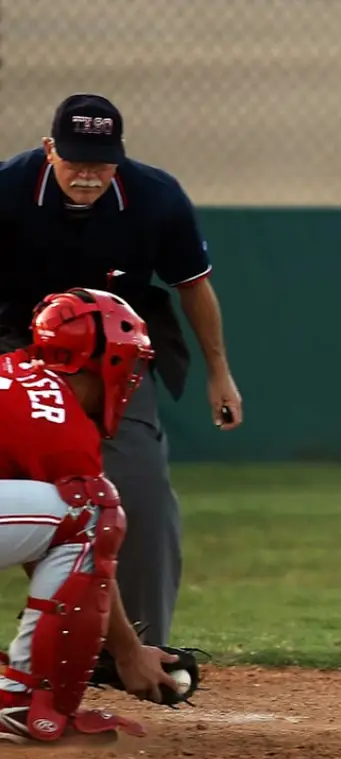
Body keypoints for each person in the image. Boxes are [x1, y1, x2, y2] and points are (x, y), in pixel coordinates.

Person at [0, 92, 244, 646]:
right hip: (16, 337)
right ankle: (54, 625)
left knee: (140, 486)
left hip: (116, 348)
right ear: (48, 149)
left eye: (101, 162)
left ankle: (138, 643)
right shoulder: (7, 189)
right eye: (75, 160)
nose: (87, 175)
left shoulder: (156, 197)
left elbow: (193, 288)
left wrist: (219, 372)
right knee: (24, 479)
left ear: (121, 155)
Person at [0, 288, 187, 744]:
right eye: (129, 363)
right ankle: (27, 705)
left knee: (73, 519)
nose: (132, 378)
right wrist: (126, 651)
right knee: (92, 509)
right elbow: (87, 536)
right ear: (104, 362)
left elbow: (47, 544)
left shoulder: (15, 371)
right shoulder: (59, 420)